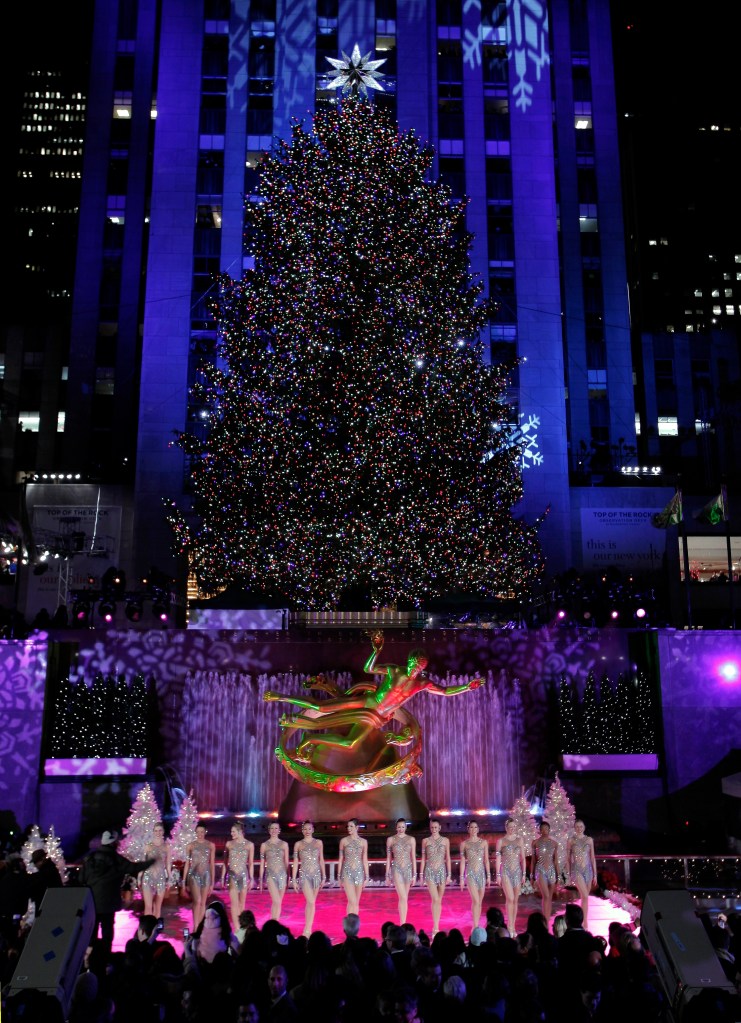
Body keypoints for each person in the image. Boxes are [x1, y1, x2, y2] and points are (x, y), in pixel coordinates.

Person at [264, 631, 485, 766]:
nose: (415, 668)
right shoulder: (394, 670)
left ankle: (309, 739)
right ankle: (280, 697)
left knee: (349, 743)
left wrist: (466, 687)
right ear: (408, 661)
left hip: (378, 717)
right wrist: (376, 650)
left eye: (420, 666)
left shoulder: (421, 684)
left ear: (423, 667)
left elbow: (445, 691)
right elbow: (368, 668)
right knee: (321, 708)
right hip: (368, 702)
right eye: (413, 663)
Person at [78, 830, 154, 957]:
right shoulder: (117, 859)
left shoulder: (90, 859)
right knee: (107, 930)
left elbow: (81, 879)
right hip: (108, 903)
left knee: (92, 929)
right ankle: (106, 955)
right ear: (113, 843)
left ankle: (91, 956)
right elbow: (133, 868)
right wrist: (151, 862)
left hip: (92, 903)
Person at [292, 820, 325, 937]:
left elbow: (321, 860)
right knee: (310, 901)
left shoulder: (319, 843)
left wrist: (324, 876)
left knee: (311, 903)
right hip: (304, 875)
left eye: (309, 829)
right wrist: (294, 879)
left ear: (313, 830)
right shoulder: (298, 844)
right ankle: (307, 929)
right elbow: (296, 862)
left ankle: (308, 928)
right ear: (302, 830)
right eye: (305, 829)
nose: (307, 831)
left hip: (316, 874)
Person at [495, 818, 527, 938]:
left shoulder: (520, 840)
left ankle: (513, 926)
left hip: (517, 872)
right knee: (510, 898)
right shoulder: (501, 841)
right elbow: (498, 858)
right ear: (506, 827)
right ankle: (509, 926)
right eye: (510, 827)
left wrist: (524, 874)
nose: (512, 829)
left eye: (514, 827)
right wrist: (498, 874)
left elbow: (523, 858)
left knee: (515, 900)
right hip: (506, 872)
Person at [419, 819, 451, 937]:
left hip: (442, 872)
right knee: (436, 899)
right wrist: (421, 875)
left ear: (439, 828)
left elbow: (447, 858)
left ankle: (436, 924)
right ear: (430, 828)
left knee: (438, 900)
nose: (434, 829)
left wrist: (449, 874)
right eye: (432, 827)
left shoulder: (445, 840)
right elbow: (423, 858)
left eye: (436, 827)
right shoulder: (425, 841)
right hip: (429, 872)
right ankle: (436, 927)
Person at [566, 819, 598, 930]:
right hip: (577, 870)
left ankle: (584, 921)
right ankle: (584, 923)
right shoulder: (571, 840)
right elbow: (568, 859)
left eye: (581, 826)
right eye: (577, 826)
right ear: (574, 828)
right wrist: (569, 874)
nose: (579, 828)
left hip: (588, 870)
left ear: (584, 827)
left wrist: (595, 875)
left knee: (585, 898)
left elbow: (592, 858)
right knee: (584, 895)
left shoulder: (589, 840)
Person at [184, 822, 216, 931]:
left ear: (205, 832)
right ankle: (195, 926)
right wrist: (184, 881)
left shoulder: (210, 845)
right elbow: (187, 864)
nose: (200, 834)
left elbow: (212, 864)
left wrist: (212, 882)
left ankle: (201, 926)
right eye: (198, 832)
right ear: (195, 832)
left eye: (202, 832)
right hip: (194, 875)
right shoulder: (190, 846)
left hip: (206, 875)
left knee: (203, 902)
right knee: (197, 901)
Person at [459, 820, 490, 931]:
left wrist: (489, 875)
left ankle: (476, 924)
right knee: (476, 900)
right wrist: (462, 877)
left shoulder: (484, 843)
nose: (473, 829)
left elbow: (486, 860)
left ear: (478, 829)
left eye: (475, 827)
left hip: (481, 874)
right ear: (468, 829)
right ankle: (475, 925)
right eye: (471, 827)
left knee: (479, 902)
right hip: (470, 873)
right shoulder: (464, 844)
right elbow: (462, 861)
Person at [225, 821, 255, 932]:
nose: (231, 833)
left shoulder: (249, 845)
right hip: (232, 875)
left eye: (233, 831)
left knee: (242, 903)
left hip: (243, 875)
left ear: (240, 831)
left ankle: (242, 926)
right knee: (234, 903)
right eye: (231, 831)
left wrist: (251, 878)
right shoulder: (229, 844)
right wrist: (223, 877)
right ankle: (237, 929)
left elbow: (251, 863)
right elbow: (225, 862)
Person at [386, 818, 416, 925]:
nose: (401, 829)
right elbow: (389, 858)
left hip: (408, 869)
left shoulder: (411, 839)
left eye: (403, 827)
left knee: (404, 898)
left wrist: (414, 874)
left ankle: (402, 922)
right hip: (396, 869)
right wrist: (387, 875)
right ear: (396, 827)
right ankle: (403, 924)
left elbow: (413, 858)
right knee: (403, 897)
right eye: (399, 827)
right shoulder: (391, 839)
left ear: (406, 827)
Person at [337, 818, 369, 916]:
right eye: (348, 826)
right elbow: (341, 859)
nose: (349, 828)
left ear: (357, 827)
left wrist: (367, 876)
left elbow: (365, 859)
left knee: (355, 903)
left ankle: (352, 927)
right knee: (353, 901)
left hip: (359, 872)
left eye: (351, 826)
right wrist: (339, 875)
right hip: (347, 872)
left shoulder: (363, 842)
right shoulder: (344, 841)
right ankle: (350, 926)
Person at [141, 821, 171, 919]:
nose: (158, 832)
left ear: (163, 832)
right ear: (153, 832)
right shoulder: (148, 846)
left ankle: (155, 929)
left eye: (160, 830)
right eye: (156, 831)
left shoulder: (167, 847)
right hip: (148, 877)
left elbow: (168, 864)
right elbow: (143, 863)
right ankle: (147, 929)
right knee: (148, 907)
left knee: (158, 907)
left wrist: (169, 878)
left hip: (160, 877)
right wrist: (139, 876)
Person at [260, 821, 289, 921]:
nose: (274, 830)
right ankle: (274, 924)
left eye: (276, 828)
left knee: (278, 902)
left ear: (279, 830)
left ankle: (275, 923)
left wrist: (287, 877)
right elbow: (262, 863)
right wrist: (260, 878)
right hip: (270, 875)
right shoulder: (264, 845)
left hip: (282, 875)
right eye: (272, 828)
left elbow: (286, 862)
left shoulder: (284, 845)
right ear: (269, 830)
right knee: (276, 900)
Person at [531, 820, 559, 922]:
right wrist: (532, 876)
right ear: (540, 830)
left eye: (546, 829)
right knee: (546, 895)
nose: (544, 831)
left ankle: (546, 920)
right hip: (540, 870)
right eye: (542, 829)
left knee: (549, 898)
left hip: (551, 870)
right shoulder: (535, 843)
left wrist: (558, 876)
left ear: (549, 830)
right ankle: (545, 921)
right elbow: (533, 861)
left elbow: (556, 861)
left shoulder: (554, 844)